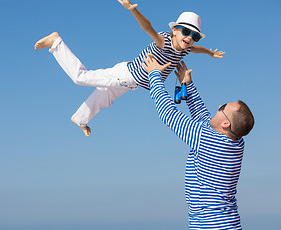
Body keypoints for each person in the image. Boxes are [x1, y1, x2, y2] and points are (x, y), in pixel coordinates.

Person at [34, 0, 225, 137]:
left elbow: (196, 49)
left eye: (195, 36)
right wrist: (133, 10)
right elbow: (147, 28)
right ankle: (56, 42)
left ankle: (80, 119)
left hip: (131, 82)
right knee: (80, 77)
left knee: (104, 97)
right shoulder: (163, 41)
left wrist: (210, 53)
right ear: (175, 30)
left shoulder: (185, 49)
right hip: (125, 75)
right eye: (186, 32)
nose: (190, 38)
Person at [141, 54, 254, 230]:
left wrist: (154, 75)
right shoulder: (234, 142)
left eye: (223, 107)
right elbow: (203, 120)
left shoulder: (207, 140)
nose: (218, 105)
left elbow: (168, 114)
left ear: (225, 124)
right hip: (222, 228)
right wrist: (188, 85)